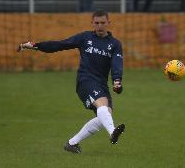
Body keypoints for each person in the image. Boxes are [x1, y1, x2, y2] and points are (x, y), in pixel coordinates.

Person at [17, 10, 125, 154]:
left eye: (103, 23)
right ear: (92, 23)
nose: (100, 26)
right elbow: (60, 45)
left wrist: (117, 80)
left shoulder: (115, 44)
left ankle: (72, 143)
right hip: (85, 81)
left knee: (103, 117)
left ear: (108, 23)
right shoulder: (84, 38)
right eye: (97, 23)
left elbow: (117, 63)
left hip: (101, 84)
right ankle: (112, 132)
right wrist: (36, 45)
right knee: (103, 108)